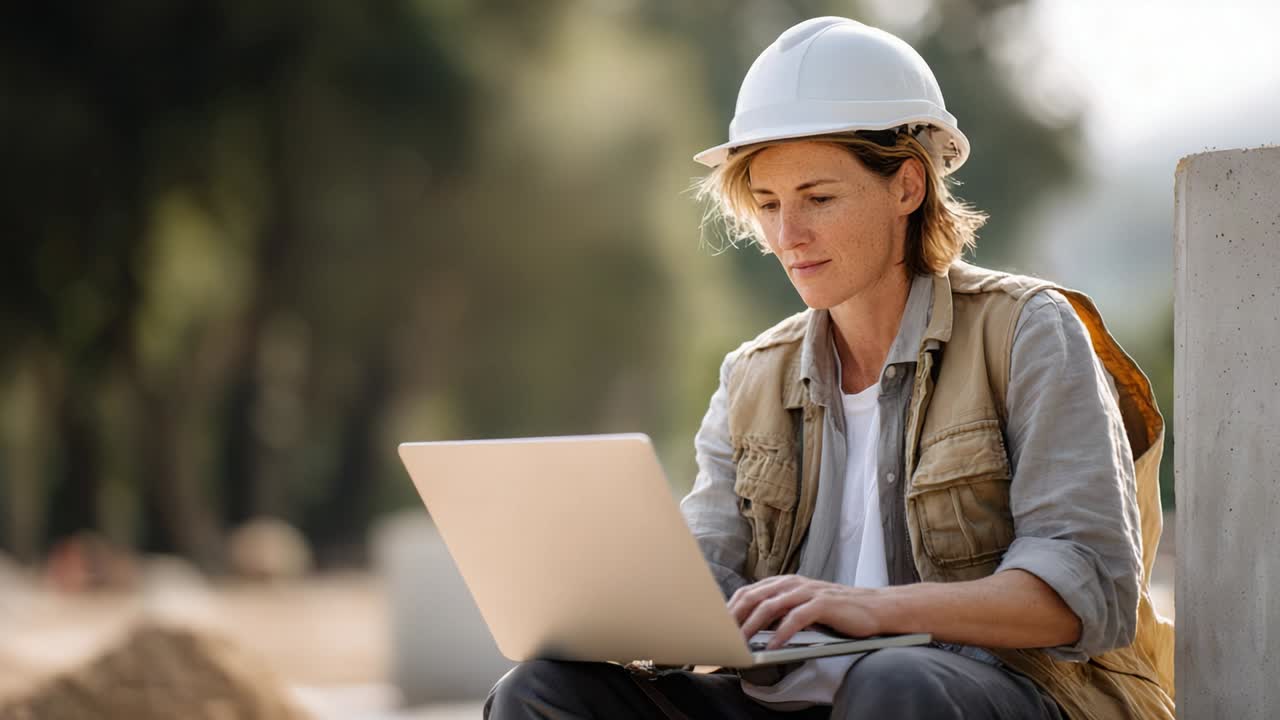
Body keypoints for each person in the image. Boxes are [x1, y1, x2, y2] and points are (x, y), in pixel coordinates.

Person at [486, 16, 1174, 720]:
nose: (788, 237)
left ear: (908, 186)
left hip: (996, 695)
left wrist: (873, 610)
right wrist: (625, 613)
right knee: (540, 691)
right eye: (769, 205)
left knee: (894, 682)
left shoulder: (1026, 329)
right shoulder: (751, 377)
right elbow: (708, 574)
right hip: (790, 704)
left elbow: (1085, 589)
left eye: (818, 199)